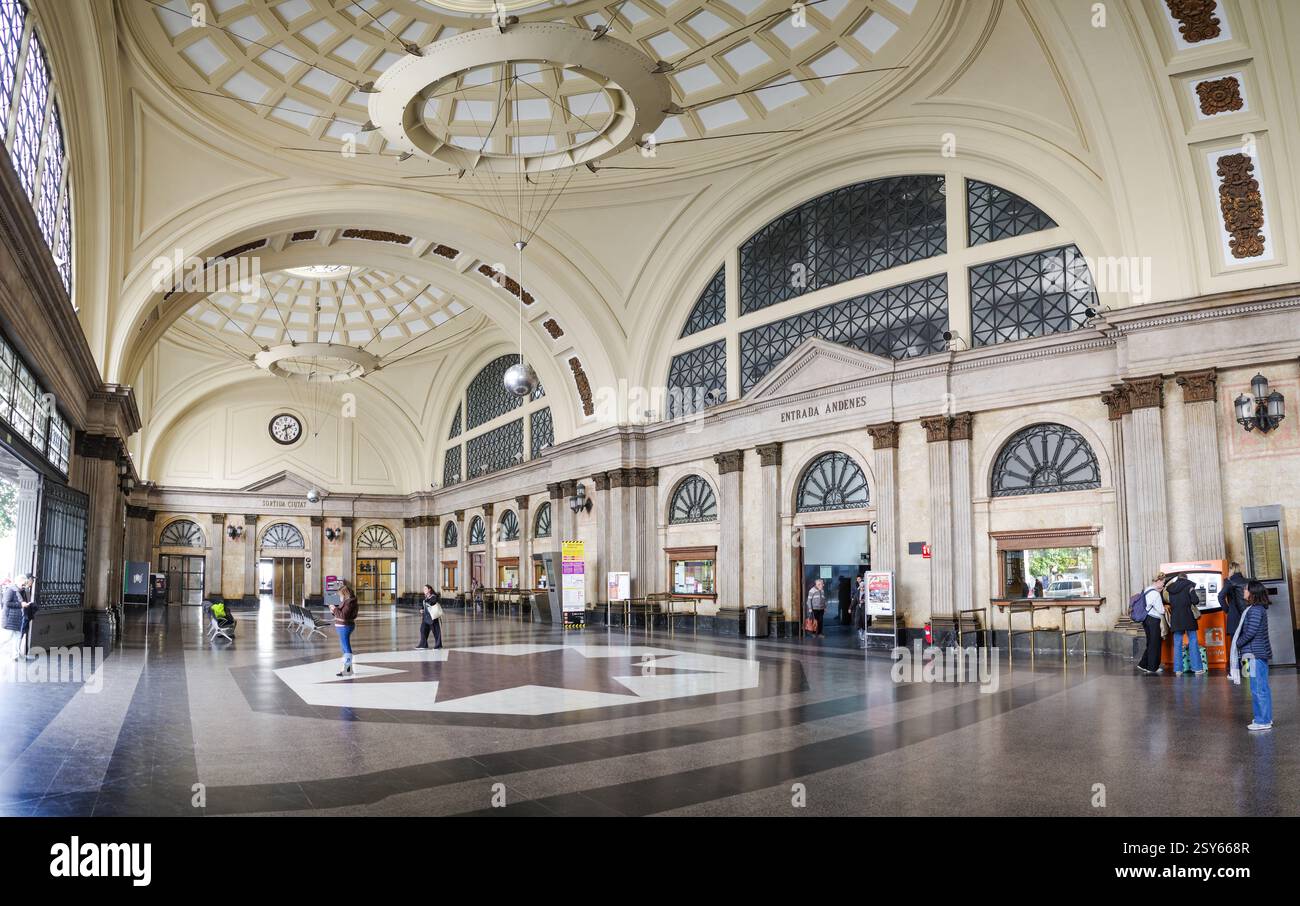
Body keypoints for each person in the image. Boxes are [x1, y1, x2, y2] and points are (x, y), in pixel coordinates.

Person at [1233, 580, 1273, 730]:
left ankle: (1262, 721)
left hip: (1254, 653)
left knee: (1257, 688)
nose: (1244, 591)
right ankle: (1266, 718)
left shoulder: (1255, 610)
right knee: (1261, 687)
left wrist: (1237, 643)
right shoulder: (1256, 609)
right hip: (1254, 653)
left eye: (1246, 589)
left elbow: (1251, 632)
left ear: (1253, 593)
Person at [1164, 572, 1205, 676]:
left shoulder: (1171, 588)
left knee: (1177, 643)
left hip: (1176, 618)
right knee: (1193, 641)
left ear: (1178, 579)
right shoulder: (1189, 586)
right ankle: (1197, 669)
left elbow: (1168, 601)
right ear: (1186, 578)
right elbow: (1195, 601)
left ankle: (1178, 670)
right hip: (1188, 617)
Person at [1135, 574, 1166, 674]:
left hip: (1146, 619)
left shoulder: (1147, 589)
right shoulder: (1155, 594)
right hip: (1153, 620)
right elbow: (1161, 610)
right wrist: (1165, 607)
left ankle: (1143, 664)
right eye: (1163, 582)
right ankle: (1152, 667)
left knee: (1150, 642)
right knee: (1155, 643)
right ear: (1158, 581)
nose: (1164, 584)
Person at [330, 580, 359, 677]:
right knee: (344, 647)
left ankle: (348, 670)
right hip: (343, 626)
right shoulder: (347, 602)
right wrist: (333, 610)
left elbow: (343, 616)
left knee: (346, 648)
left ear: (345, 594)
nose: (340, 597)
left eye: (340, 595)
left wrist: (335, 609)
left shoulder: (349, 603)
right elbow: (340, 614)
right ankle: (347, 669)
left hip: (345, 626)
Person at [2, 575, 33, 661]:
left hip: (18, 618)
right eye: (23, 584)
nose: (24, 586)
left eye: (25, 584)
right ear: (18, 582)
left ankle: (15, 656)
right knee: (7, 637)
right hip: (10, 618)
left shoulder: (22, 591)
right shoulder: (11, 590)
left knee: (18, 636)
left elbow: (23, 602)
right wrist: (20, 605)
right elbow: (6, 603)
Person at [1218, 561, 1248, 643]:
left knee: (1235, 646)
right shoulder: (1247, 581)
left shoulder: (1229, 582)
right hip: (1248, 616)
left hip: (1234, 617)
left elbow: (1220, 596)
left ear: (1231, 570)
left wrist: (1227, 610)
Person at [415, 584, 443, 650]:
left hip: (433, 617)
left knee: (436, 631)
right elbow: (423, 606)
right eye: (423, 589)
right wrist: (421, 609)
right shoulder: (426, 597)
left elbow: (432, 602)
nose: (424, 590)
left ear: (429, 590)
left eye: (425, 589)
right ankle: (423, 644)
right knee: (423, 629)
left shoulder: (433, 596)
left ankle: (438, 645)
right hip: (426, 617)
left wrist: (427, 599)